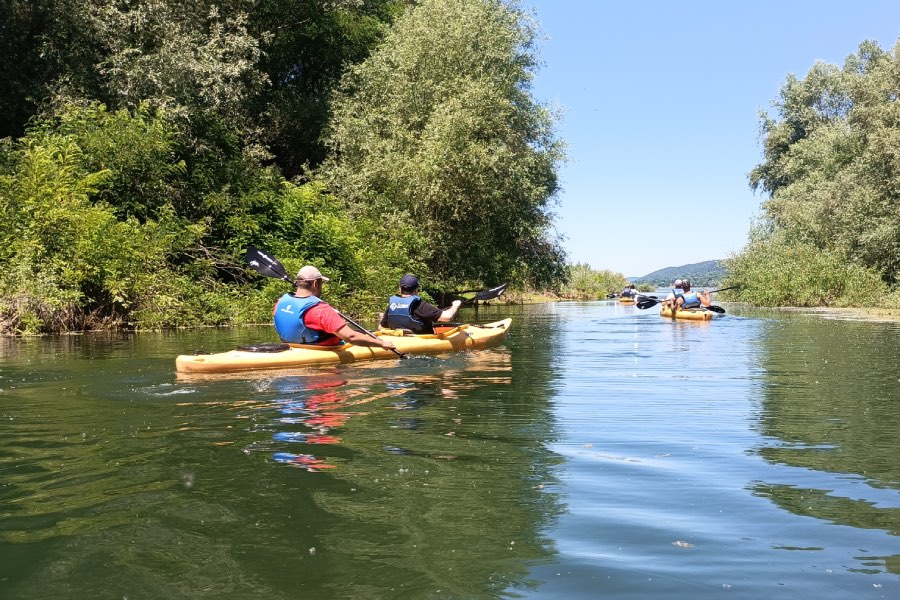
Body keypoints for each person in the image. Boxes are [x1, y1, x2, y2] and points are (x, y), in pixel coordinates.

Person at [273, 265, 396, 351]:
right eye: (321, 283)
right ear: (316, 283)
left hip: (292, 347)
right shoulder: (320, 310)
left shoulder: (281, 302)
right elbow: (351, 337)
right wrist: (381, 343)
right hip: (323, 354)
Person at [380, 274, 462, 334]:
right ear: (416, 290)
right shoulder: (419, 305)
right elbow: (447, 317)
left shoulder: (392, 305)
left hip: (399, 340)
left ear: (400, 288)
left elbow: (381, 327)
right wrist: (455, 305)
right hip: (421, 342)